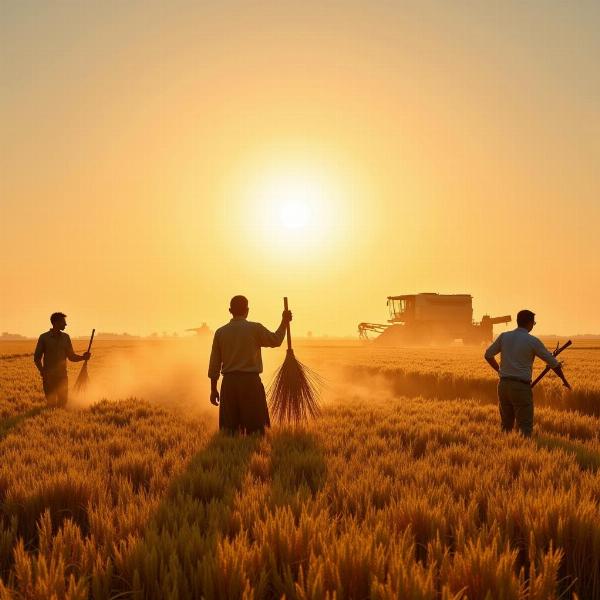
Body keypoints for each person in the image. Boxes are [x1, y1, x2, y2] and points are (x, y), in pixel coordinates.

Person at [208, 295, 292, 434]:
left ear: (230, 310)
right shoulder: (255, 329)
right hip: (251, 384)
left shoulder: (220, 332)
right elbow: (276, 340)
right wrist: (284, 321)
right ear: (247, 310)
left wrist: (213, 389)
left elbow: (214, 364)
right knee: (256, 431)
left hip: (229, 385)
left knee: (229, 432)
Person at [484, 309, 570, 437]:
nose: (533, 326)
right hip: (520, 388)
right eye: (533, 323)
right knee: (525, 428)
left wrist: (500, 371)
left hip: (503, 386)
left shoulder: (504, 336)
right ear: (529, 323)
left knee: (506, 425)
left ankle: (506, 451)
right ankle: (522, 450)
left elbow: (488, 355)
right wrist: (564, 380)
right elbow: (554, 363)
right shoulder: (532, 341)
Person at [34, 312, 91, 407]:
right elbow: (37, 358)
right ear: (56, 322)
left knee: (63, 403)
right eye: (63, 322)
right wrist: (43, 372)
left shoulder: (66, 337)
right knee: (51, 404)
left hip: (62, 376)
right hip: (49, 377)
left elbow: (71, 356)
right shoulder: (44, 338)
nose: (66, 324)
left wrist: (83, 357)